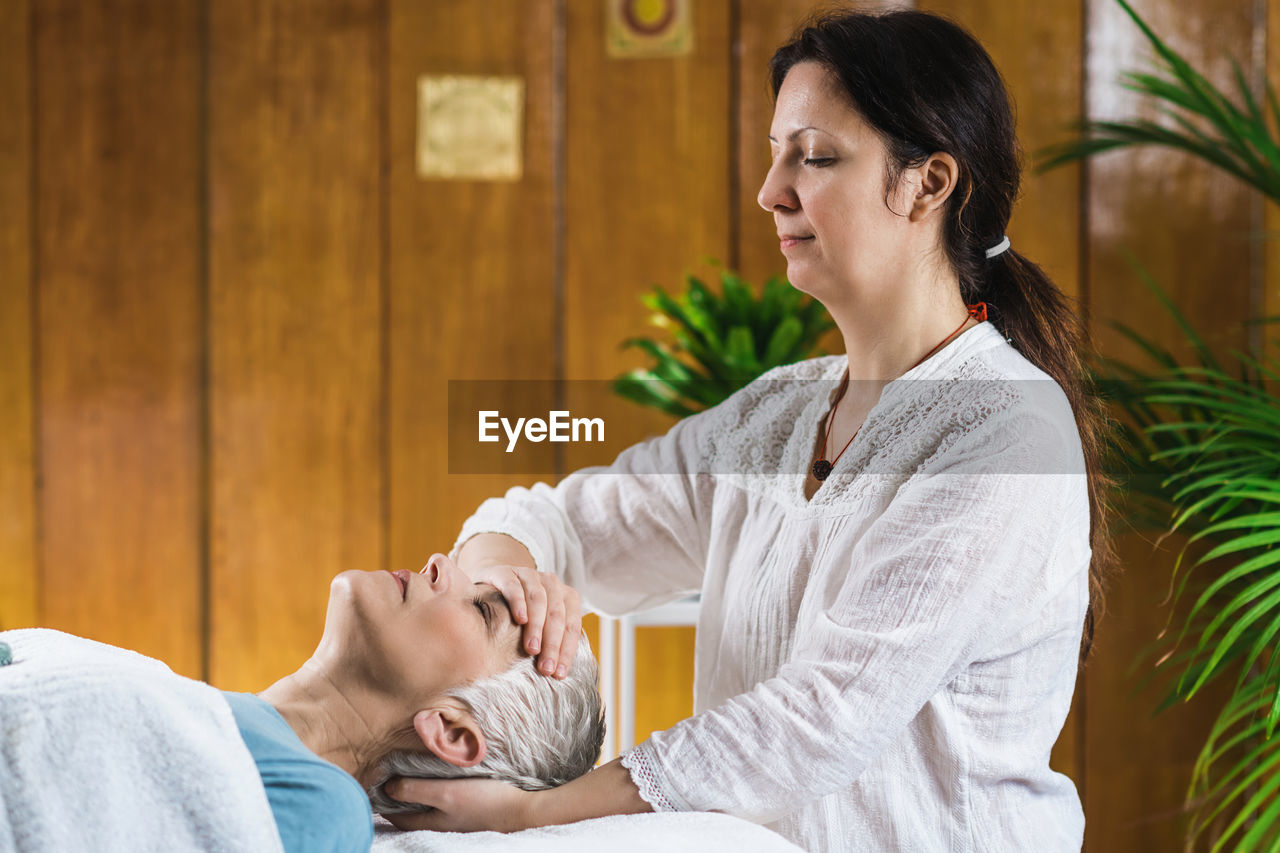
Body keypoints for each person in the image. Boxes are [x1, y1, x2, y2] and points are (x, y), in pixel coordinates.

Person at [382, 9, 1113, 852]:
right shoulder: (778, 414)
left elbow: (824, 715)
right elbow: (560, 522)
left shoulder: (1007, 429)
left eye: (816, 155)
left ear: (929, 182)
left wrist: (528, 813)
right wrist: (501, 590)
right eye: (775, 153)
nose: (773, 190)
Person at [0, 552, 604, 853]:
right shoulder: (158, 692)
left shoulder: (322, 808)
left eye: (481, 609)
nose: (440, 561)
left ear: (451, 731)